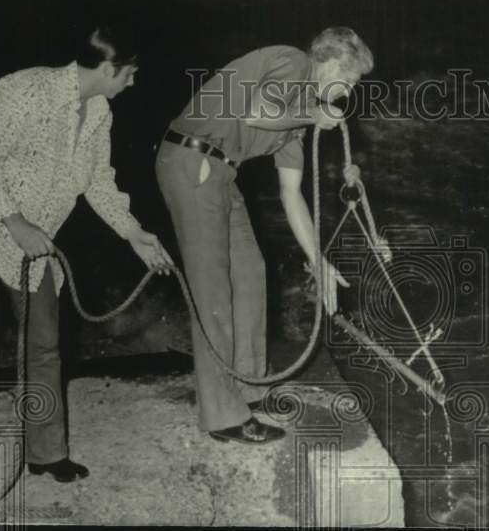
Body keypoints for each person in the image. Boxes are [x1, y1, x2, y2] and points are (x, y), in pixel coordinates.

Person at [0, 27, 174, 506]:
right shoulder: (22, 88)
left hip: (35, 242)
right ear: (108, 68)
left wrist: (133, 231)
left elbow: (98, 182)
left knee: (45, 345)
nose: (132, 83)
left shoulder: (98, 112)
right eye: (130, 74)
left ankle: (47, 453)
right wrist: (14, 221)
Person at [155, 27, 372, 445]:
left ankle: (247, 390)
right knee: (213, 291)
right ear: (327, 64)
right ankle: (221, 416)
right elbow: (256, 112)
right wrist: (313, 114)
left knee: (252, 273)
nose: (345, 95)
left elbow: (292, 196)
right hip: (191, 159)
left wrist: (318, 261)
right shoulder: (292, 63)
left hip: (221, 172)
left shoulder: (295, 124)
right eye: (347, 82)